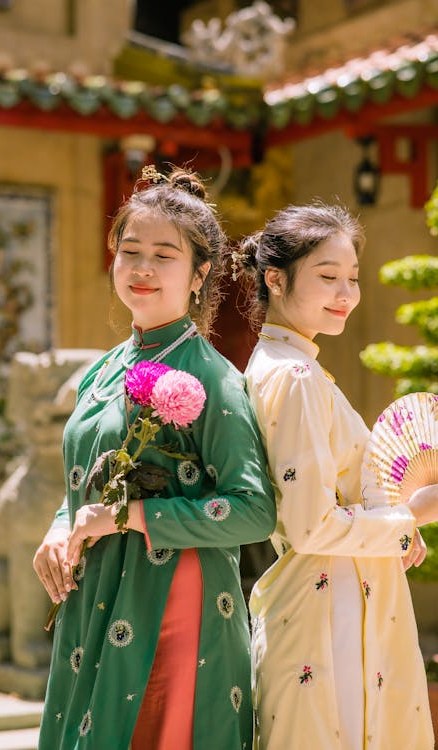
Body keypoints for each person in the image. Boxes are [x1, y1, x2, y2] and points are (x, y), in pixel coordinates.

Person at [33, 166, 276, 750]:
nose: (141, 268)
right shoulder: (104, 368)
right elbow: (86, 477)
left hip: (172, 602)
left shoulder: (213, 380)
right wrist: (62, 524)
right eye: (130, 250)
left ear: (199, 275)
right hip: (94, 597)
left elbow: (253, 510)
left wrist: (132, 517)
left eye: (164, 255)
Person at [233, 203, 438, 750]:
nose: (346, 294)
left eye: (352, 278)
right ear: (275, 279)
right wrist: (408, 515)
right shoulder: (296, 375)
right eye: (328, 277)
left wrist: (395, 528)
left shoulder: (280, 365)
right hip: (327, 609)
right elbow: (311, 525)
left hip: (331, 596)